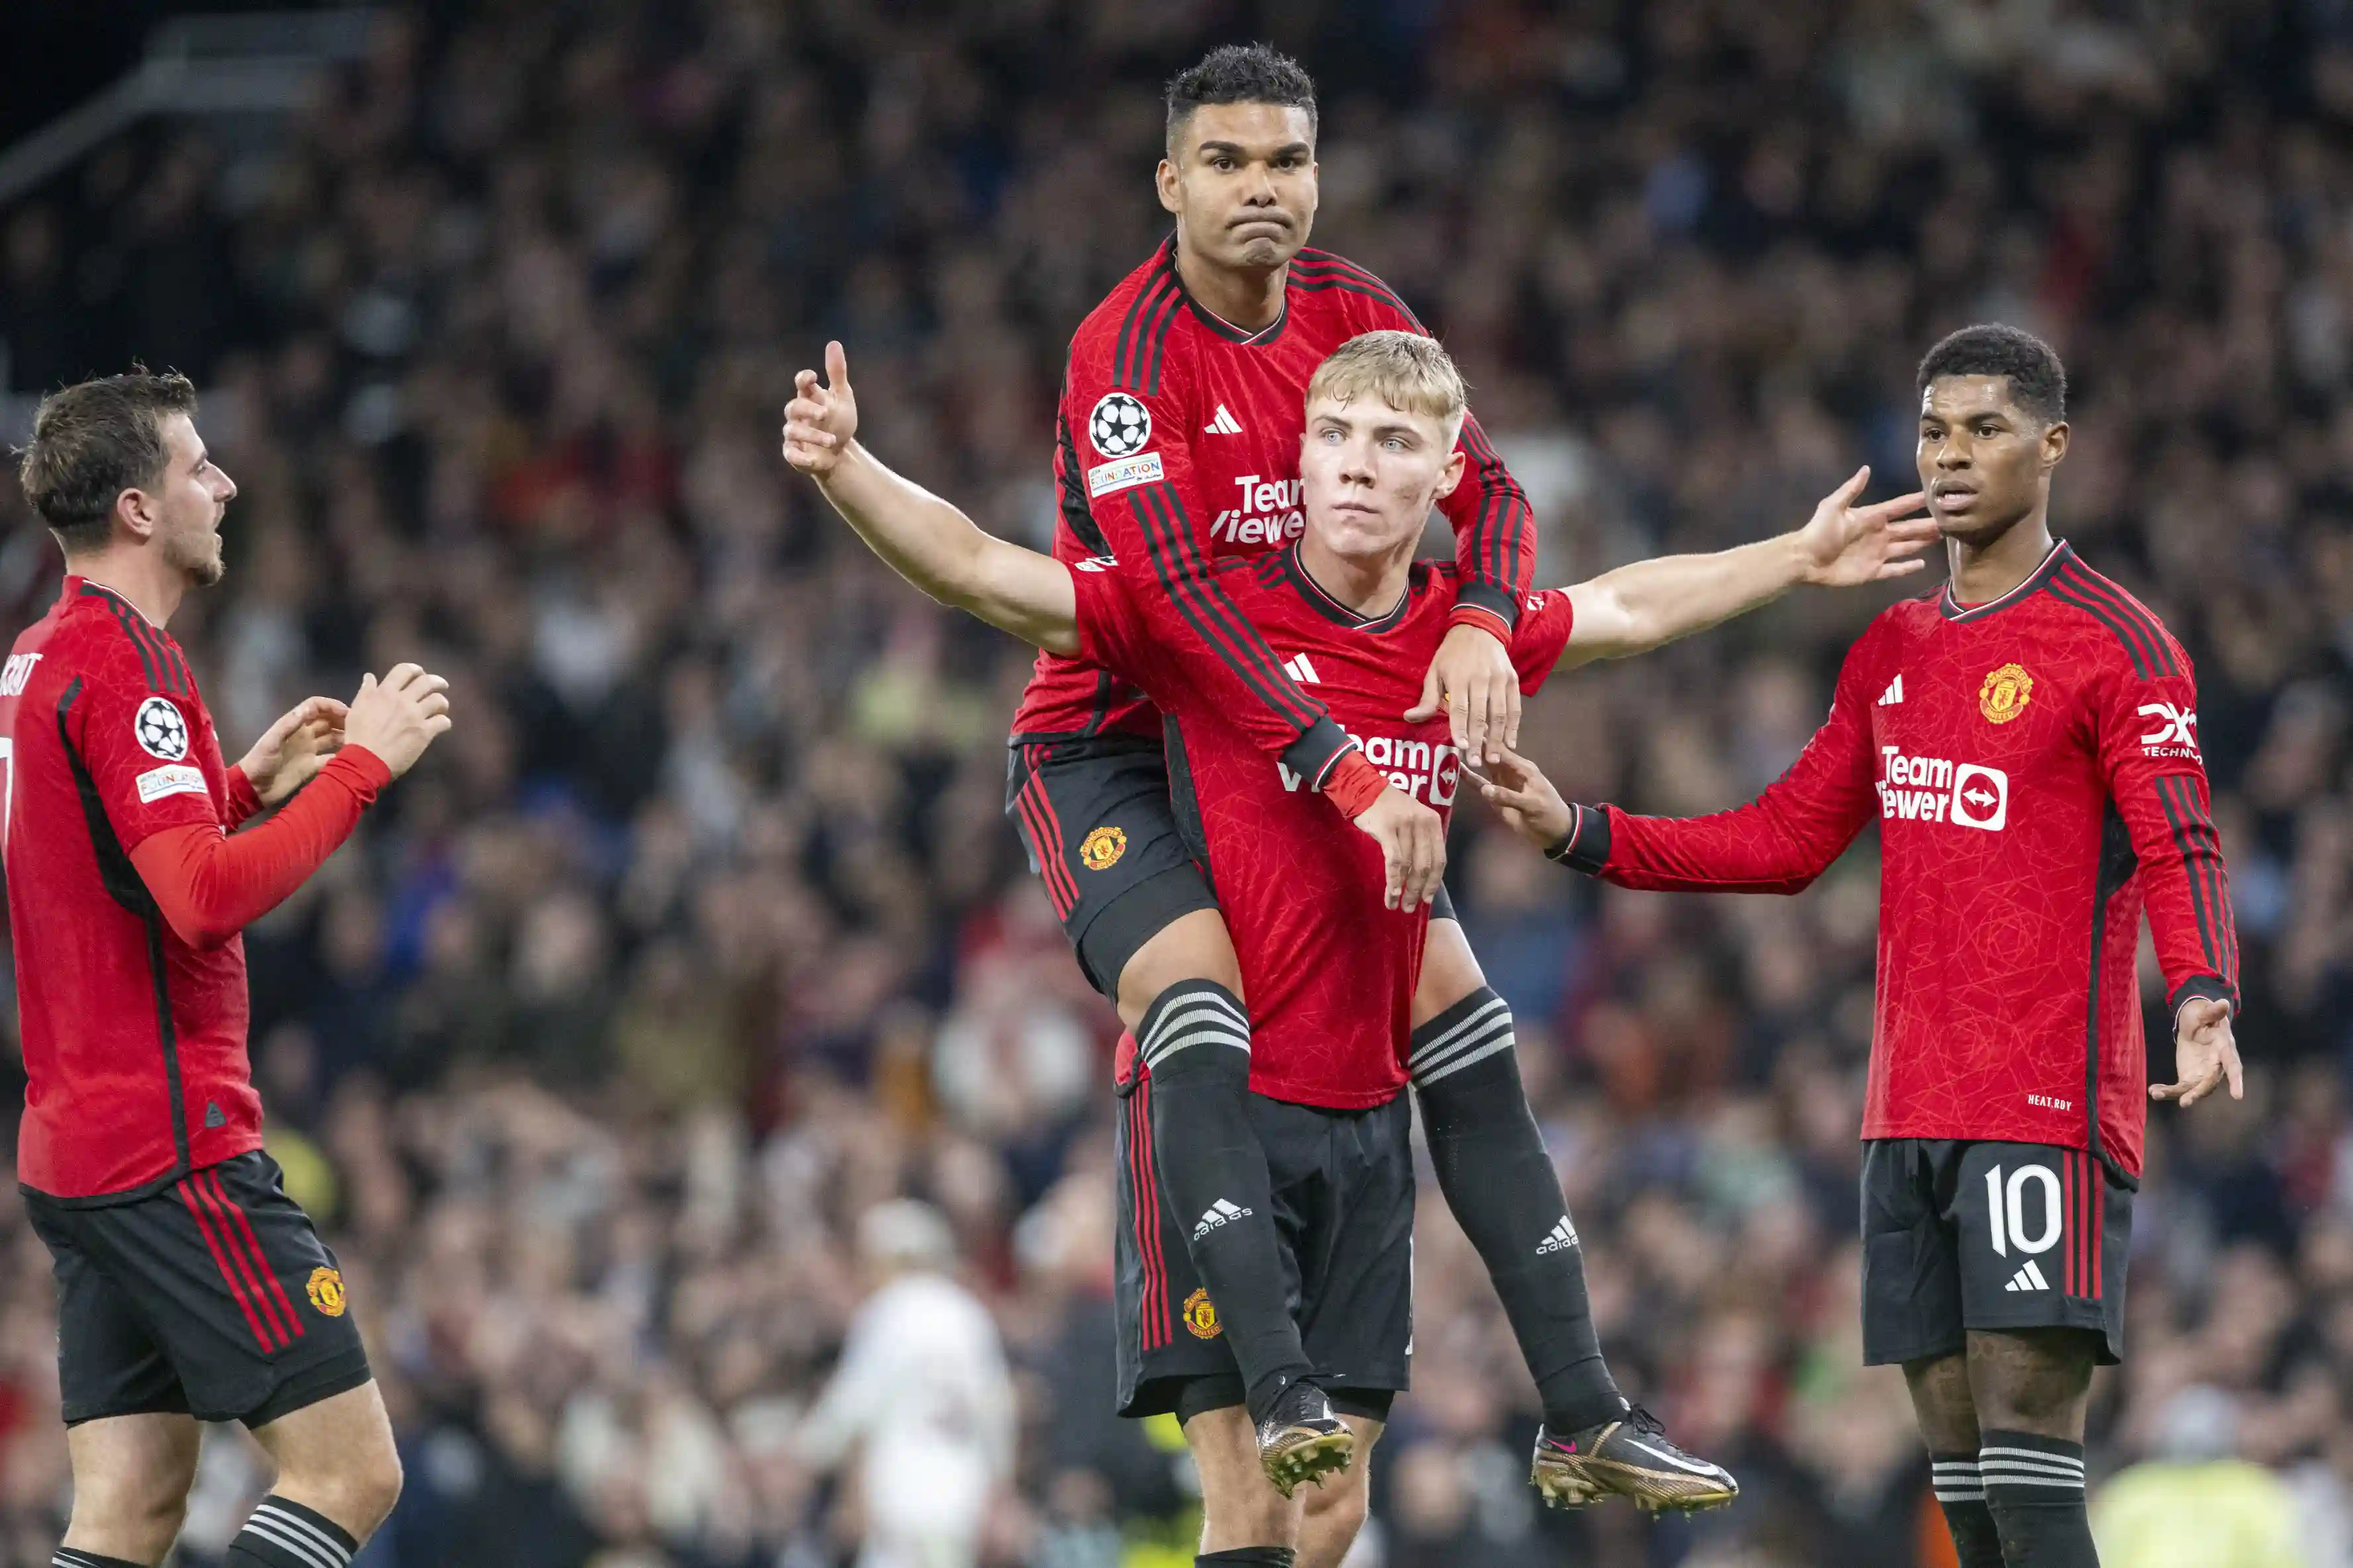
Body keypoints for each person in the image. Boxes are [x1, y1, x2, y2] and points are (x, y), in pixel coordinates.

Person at [784, 329, 1933, 1563]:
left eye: (1392, 444)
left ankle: (1582, 1410)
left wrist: (1797, 556)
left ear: (1445, 475)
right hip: (1216, 1112)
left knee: (1333, 1512)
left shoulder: (1455, 638)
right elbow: (990, 575)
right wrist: (851, 469)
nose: (1352, 466)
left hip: (1365, 1119)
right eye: (1331, 435)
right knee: (1246, 1504)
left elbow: (1626, 604)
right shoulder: (1207, 615)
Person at [1004, 38, 1696, 1503]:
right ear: (1169, 181)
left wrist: (1486, 626)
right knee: (1195, 997)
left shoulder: (1353, 311)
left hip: (1294, 731)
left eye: (1287, 161)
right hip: (1124, 740)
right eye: (1229, 162)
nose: (1263, 188)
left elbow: (1489, 490)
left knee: (1461, 1009)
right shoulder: (1122, 360)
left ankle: (1579, 1403)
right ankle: (1273, 1375)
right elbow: (1183, 607)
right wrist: (1342, 768)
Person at [1470, 324, 2244, 1568]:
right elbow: (1781, 839)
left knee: (2028, 1451)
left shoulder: (2115, 643)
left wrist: (2202, 988)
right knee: (1961, 1480)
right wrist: (1579, 830)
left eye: (1984, 429)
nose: (1949, 455)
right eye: (1933, 428)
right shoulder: (1891, 647)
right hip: (1906, 1106)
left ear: (2051, 446)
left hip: (2037, 1099)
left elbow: (2179, 839)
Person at [3, 370, 452, 1568]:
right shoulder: (126, 664)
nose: (226, 483)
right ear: (142, 508)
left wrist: (239, 787)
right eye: (201, 465)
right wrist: (364, 770)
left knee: (130, 1511)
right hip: (172, 1148)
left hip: (76, 1144)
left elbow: (94, 871)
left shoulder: (41, 655)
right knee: (350, 1469)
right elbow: (200, 900)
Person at [798, 1200, 1018, 1568]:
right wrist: (1000, 1484)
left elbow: (853, 1405)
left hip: (900, 1487)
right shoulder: (969, 1314)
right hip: (961, 1491)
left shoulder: (888, 1309)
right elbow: (996, 1408)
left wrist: (803, 1452)